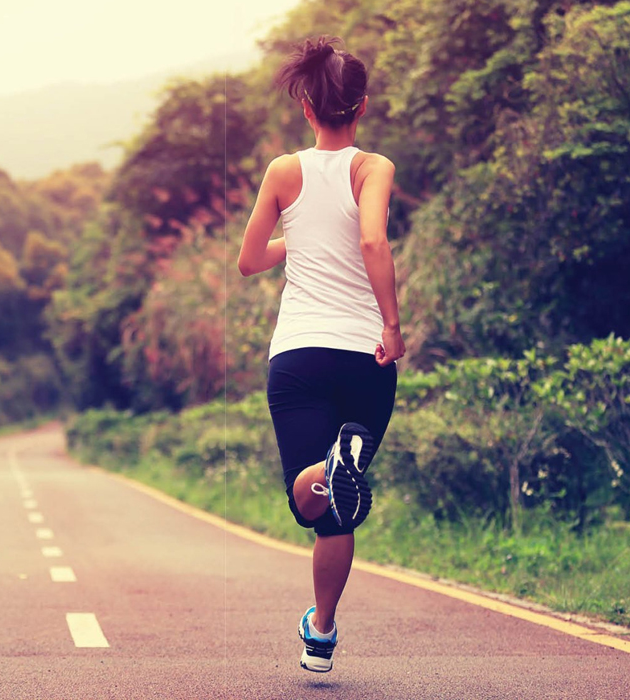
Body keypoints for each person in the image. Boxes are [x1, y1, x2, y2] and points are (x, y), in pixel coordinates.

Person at [237, 35, 406, 673]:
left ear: (306, 108)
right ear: (361, 106)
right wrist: (392, 325)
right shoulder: (374, 168)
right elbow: (372, 242)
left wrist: (296, 241)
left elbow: (249, 261)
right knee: (342, 503)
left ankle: (322, 629)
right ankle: (323, 625)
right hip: (365, 355)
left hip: (300, 355)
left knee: (315, 503)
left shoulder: (283, 171)